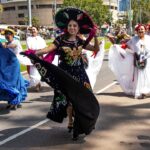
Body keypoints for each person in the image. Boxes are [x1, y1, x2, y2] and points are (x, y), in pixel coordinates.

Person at [24, 7, 100, 140]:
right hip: (65, 75)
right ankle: (70, 121)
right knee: (69, 101)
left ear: (78, 28)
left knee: (84, 99)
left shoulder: (81, 41)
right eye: (70, 25)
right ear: (67, 27)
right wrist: (33, 53)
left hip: (80, 74)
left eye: (74, 26)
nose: (72, 28)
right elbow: (48, 48)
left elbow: (94, 49)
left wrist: (96, 36)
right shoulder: (60, 39)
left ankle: (79, 123)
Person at [109, 24, 150, 99]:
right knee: (139, 76)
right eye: (139, 29)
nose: (141, 31)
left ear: (145, 30)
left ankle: (147, 90)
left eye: (142, 29)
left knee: (147, 75)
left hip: (148, 61)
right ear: (137, 31)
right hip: (138, 61)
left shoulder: (148, 39)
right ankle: (142, 91)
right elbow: (125, 46)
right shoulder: (134, 39)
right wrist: (117, 47)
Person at [0, 41, 29, 110]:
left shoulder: (4, 50)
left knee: (13, 84)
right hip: (7, 68)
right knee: (6, 86)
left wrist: (7, 46)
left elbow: (14, 46)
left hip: (12, 68)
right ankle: (12, 102)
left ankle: (15, 102)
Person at [26, 26, 47, 92]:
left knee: (39, 70)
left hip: (40, 56)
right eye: (32, 30)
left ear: (37, 31)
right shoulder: (29, 38)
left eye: (34, 29)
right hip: (33, 55)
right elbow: (29, 47)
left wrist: (41, 53)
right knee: (33, 71)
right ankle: (37, 84)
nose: (33, 31)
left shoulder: (40, 38)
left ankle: (38, 83)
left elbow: (44, 47)